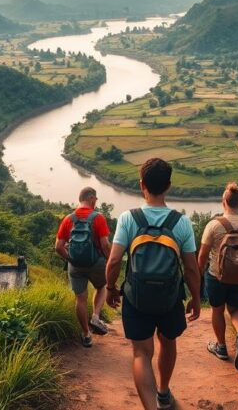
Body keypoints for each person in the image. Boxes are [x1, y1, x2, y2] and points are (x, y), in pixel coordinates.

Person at [106, 158, 201, 410]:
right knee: (168, 341)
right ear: (168, 186)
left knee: (141, 354)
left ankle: (150, 406)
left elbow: (114, 260)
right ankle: (163, 392)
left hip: (136, 297)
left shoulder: (129, 219)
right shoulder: (180, 222)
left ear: (141, 185)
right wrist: (196, 298)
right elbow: (191, 267)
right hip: (170, 299)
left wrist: (111, 288)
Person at [197, 182, 238, 371]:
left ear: (224, 202)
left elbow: (202, 255)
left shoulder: (213, 225)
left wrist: (199, 275)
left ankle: (221, 347)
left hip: (216, 276)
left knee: (217, 310)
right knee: (236, 309)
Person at [55, 186, 112, 347]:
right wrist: (110, 261)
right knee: (102, 286)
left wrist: (71, 259)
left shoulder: (68, 219)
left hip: (75, 265)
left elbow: (58, 247)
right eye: (96, 199)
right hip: (96, 263)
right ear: (92, 198)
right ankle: (95, 316)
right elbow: (105, 244)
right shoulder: (98, 217)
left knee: (80, 299)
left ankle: (86, 335)